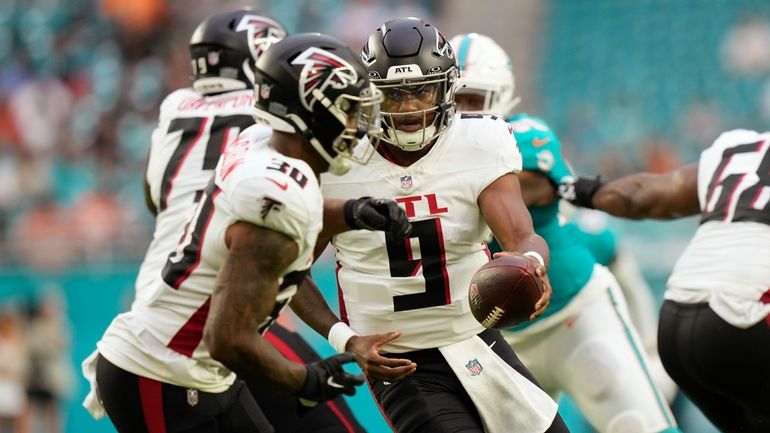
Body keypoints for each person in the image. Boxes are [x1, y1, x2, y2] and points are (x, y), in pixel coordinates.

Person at [86, 30, 393, 433]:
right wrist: (307, 379)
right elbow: (228, 339)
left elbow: (278, 215)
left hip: (198, 372)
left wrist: (351, 212)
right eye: (349, 110)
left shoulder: (261, 142)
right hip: (161, 373)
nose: (358, 125)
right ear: (308, 112)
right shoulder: (277, 197)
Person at [319, 17, 568, 433]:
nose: (410, 106)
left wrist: (532, 265)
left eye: (421, 91)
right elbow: (285, 274)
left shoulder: (480, 143)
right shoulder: (338, 161)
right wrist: (343, 338)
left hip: (478, 340)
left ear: (449, 87)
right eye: (395, 94)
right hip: (400, 361)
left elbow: (523, 236)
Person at [449, 32, 680, 433]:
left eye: (475, 100)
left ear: (501, 97)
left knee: (638, 426)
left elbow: (524, 179)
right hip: (500, 339)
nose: (465, 113)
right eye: (456, 100)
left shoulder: (525, 134)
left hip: (574, 312)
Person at [560, 128, 770, 433]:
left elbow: (647, 195)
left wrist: (579, 190)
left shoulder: (742, 147)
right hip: (741, 320)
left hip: (675, 322)